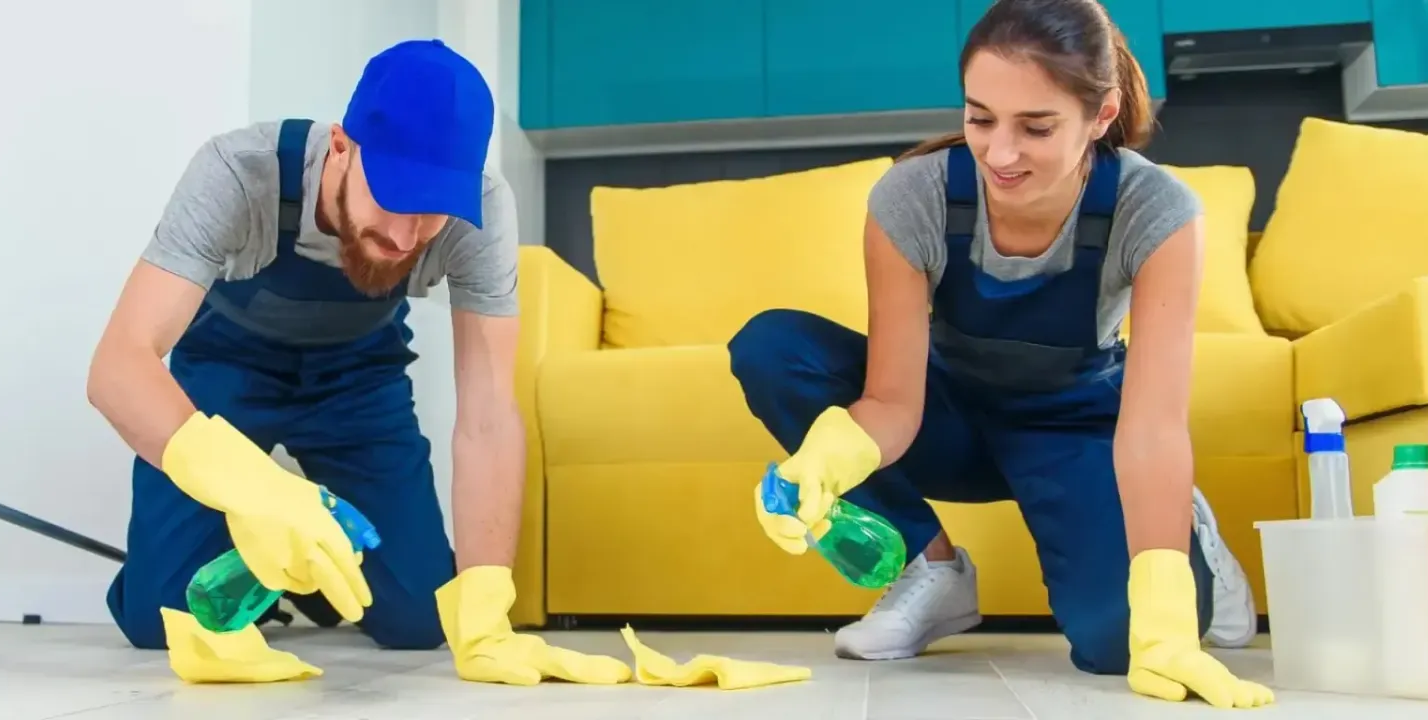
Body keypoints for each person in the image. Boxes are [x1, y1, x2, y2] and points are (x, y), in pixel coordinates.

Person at [727, 0, 1273, 709]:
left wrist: (1164, 612)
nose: (1000, 153)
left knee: (1121, 645)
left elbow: (1153, 426)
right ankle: (935, 570)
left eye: (1036, 127)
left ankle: (1185, 529)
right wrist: (825, 461)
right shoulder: (915, 196)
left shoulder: (1156, 211)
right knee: (774, 347)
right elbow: (893, 402)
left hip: (1076, 433)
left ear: (1101, 116)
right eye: (980, 118)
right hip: (947, 416)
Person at [86, 39, 622, 685]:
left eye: (431, 212)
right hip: (226, 372)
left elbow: (487, 414)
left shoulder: (482, 212)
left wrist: (487, 604)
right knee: (158, 620)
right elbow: (118, 367)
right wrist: (255, 489)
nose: (404, 237)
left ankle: (312, 565)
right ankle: (243, 543)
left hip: (358, 383)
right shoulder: (238, 172)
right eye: (394, 196)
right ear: (341, 145)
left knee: (424, 623)